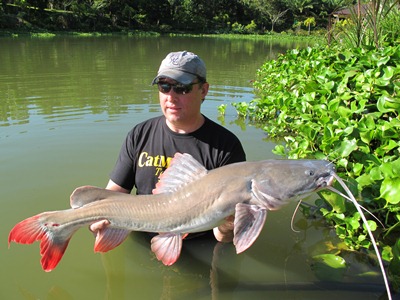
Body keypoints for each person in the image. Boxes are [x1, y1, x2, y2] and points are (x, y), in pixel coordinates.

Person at [90, 50, 246, 242]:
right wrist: (94, 216)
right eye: (164, 86)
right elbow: (115, 193)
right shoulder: (140, 134)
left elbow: (222, 236)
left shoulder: (226, 146)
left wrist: (229, 224)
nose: (171, 96)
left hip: (197, 245)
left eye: (182, 87)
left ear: (203, 90)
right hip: (141, 240)